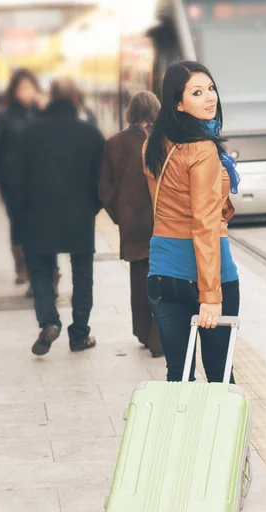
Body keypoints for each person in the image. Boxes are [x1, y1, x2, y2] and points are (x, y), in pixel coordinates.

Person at [143, 61, 241, 382]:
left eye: (210, 88)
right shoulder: (202, 149)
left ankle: (180, 434)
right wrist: (210, 297)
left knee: (179, 374)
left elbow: (169, 204)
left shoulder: (151, 145)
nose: (210, 98)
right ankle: (224, 435)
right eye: (197, 92)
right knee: (219, 376)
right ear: (178, 103)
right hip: (208, 273)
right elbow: (205, 223)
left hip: (162, 271)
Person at [18, 76, 105, 356]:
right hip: (80, 215)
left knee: (41, 270)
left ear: (50, 97)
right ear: (76, 99)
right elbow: (101, 181)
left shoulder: (30, 132)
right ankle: (79, 334)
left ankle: (49, 321)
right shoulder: (91, 134)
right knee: (82, 275)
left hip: (40, 215)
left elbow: (19, 176)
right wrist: (91, 207)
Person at [99, 91, 163, 358]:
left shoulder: (113, 144)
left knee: (139, 276)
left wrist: (120, 215)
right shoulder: (162, 142)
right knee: (161, 277)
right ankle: (158, 337)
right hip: (162, 220)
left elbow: (104, 190)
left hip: (132, 222)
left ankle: (141, 330)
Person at [0, 68, 43, 285]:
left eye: (30, 88)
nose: (27, 92)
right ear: (14, 91)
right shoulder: (3, 118)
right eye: (22, 88)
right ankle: (22, 267)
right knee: (19, 224)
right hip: (12, 184)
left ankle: (38, 269)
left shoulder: (43, 115)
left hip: (40, 183)